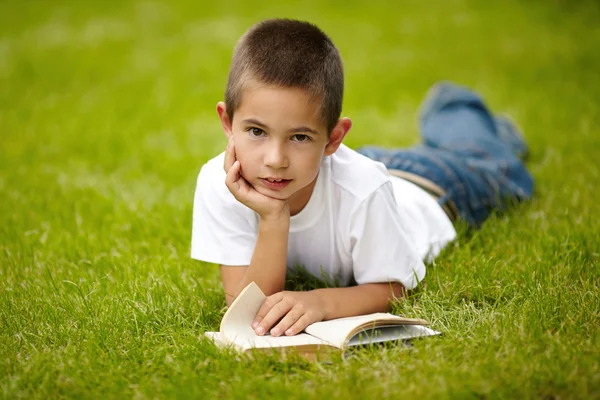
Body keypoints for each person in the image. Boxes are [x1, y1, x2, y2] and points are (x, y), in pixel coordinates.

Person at [191, 19, 533, 338]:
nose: (275, 160)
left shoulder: (365, 189)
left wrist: (321, 303)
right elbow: (244, 313)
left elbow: (396, 288)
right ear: (227, 122)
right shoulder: (219, 182)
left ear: (333, 139)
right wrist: (274, 218)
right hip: (330, 169)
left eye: (299, 137)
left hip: (434, 185)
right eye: (256, 131)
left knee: (493, 162)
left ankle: (454, 105)